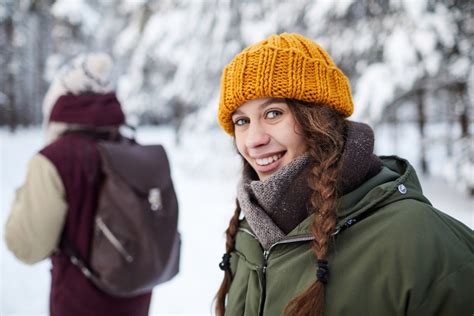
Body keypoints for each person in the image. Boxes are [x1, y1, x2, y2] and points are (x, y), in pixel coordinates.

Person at [214, 33, 473, 316]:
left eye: (274, 113)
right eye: (242, 121)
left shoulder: (420, 240)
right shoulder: (248, 235)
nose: (253, 140)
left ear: (320, 119)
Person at [4, 53, 152, 315]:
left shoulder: (55, 159)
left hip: (78, 304)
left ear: (57, 104)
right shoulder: (132, 149)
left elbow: (27, 247)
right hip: (134, 302)